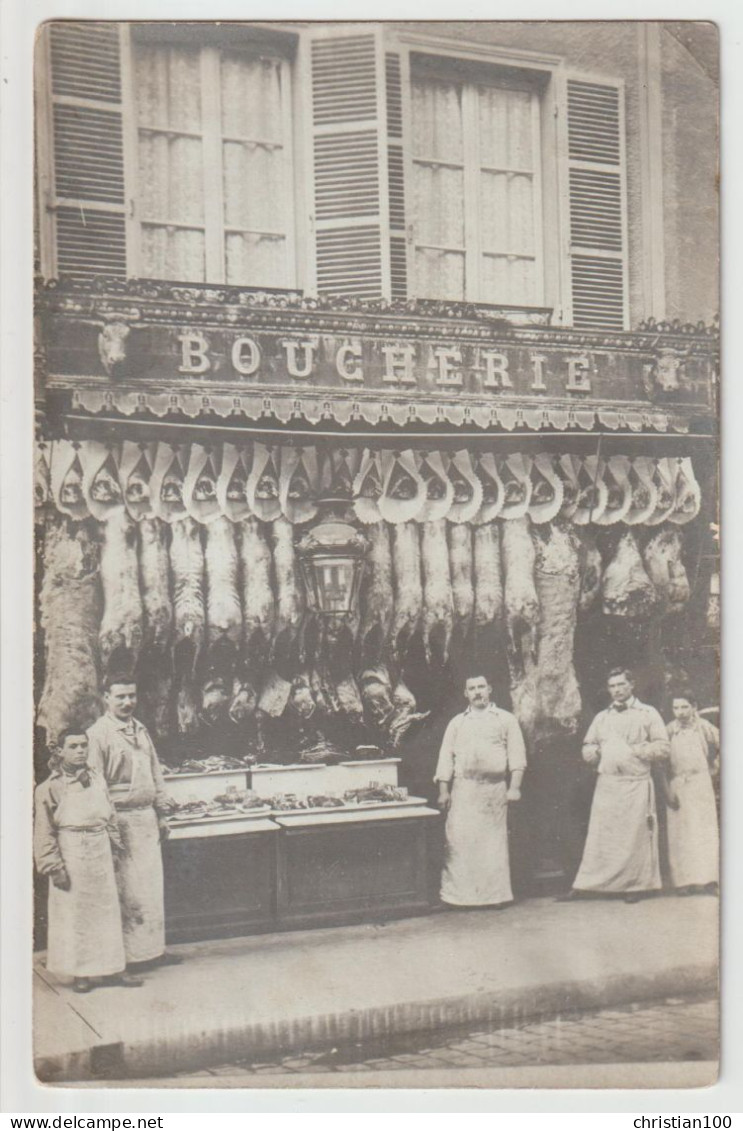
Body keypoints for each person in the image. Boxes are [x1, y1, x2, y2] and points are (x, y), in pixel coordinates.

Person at [33, 728, 142, 993]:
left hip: (100, 850)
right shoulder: (50, 788)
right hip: (72, 852)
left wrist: (115, 848)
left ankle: (113, 968)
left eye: (83, 745)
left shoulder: (98, 779)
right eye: (73, 746)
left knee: (106, 912)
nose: (80, 750)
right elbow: (44, 832)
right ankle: (81, 972)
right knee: (76, 915)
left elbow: (110, 816)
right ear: (59, 751)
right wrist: (53, 867)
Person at [87, 674, 182, 970]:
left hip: (146, 820)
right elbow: (95, 783)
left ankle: (153, 951)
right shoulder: (98, 734)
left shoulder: (140, 730)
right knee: (126, 891)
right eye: (120, 697)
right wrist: (108, 826)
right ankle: (127, 958)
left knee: (150, 889)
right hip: (119, 822)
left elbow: (156, 774)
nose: (128, 702)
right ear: (106, 698)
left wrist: (162, 813)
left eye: (132, 696)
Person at [564, 668, 670, 904]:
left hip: (636, 784)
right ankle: (589, 885)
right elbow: (587, 748)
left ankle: (635, 884)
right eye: (612, 686)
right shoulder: (602, 717)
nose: (617, 690)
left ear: (632, 685)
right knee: (602, 837)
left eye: (621, 684)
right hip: (608, 785)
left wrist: (633, 751)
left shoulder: (647, 713)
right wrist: (600, 751)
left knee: (635, 836)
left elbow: (663, 747)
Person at [434, 673, 526, 908]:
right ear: (466, 693)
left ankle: (495, 897)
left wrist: (514, 787)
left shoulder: (505, 719)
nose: (477, 692)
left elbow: (517, 756)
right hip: (463, 789)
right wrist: (444, 791)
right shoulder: (457, 722)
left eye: (481, 687)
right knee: (459, 843)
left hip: (493, 790)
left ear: (490, 689)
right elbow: (445, 757)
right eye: (472, 688)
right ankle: (457, 898)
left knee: (492, 845)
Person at [663, 692, 720, 894]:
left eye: (684, 707)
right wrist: (668, 788)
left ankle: (709, 880)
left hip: (701, 782)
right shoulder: (669, 730)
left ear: (694, 706)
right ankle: (683, 882)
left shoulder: (704, 727)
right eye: (676, 708)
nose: (680, 712)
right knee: (680, 832)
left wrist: (715, 767)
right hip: (678, 782)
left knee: (704, 829)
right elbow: (661, 759)